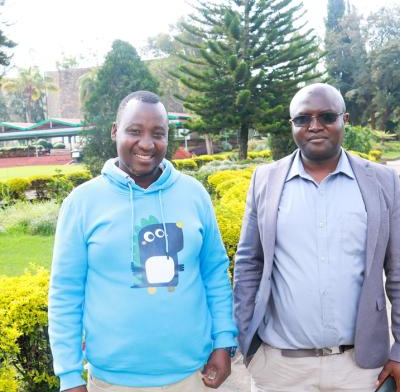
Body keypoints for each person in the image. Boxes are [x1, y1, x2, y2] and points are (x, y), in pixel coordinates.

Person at [48, 90, 237, 392]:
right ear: (115, 131)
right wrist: (69, 376)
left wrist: (224, 341)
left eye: (158, 134)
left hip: (192, 376)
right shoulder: (82, 203)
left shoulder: (193, 194)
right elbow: (66, 293)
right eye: (135, 131)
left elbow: (214, 272)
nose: (147, 144)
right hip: (113, 382)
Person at [233, 83, 400, 391]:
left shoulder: (384, 181)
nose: (314, 126)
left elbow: (398, 272)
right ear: (292, 124)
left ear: (345, 119)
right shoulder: (265, 181)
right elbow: (248, 264)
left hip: (360, 369)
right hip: (281, 370)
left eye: (326, 116)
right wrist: (247, 341)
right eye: (303, 119)